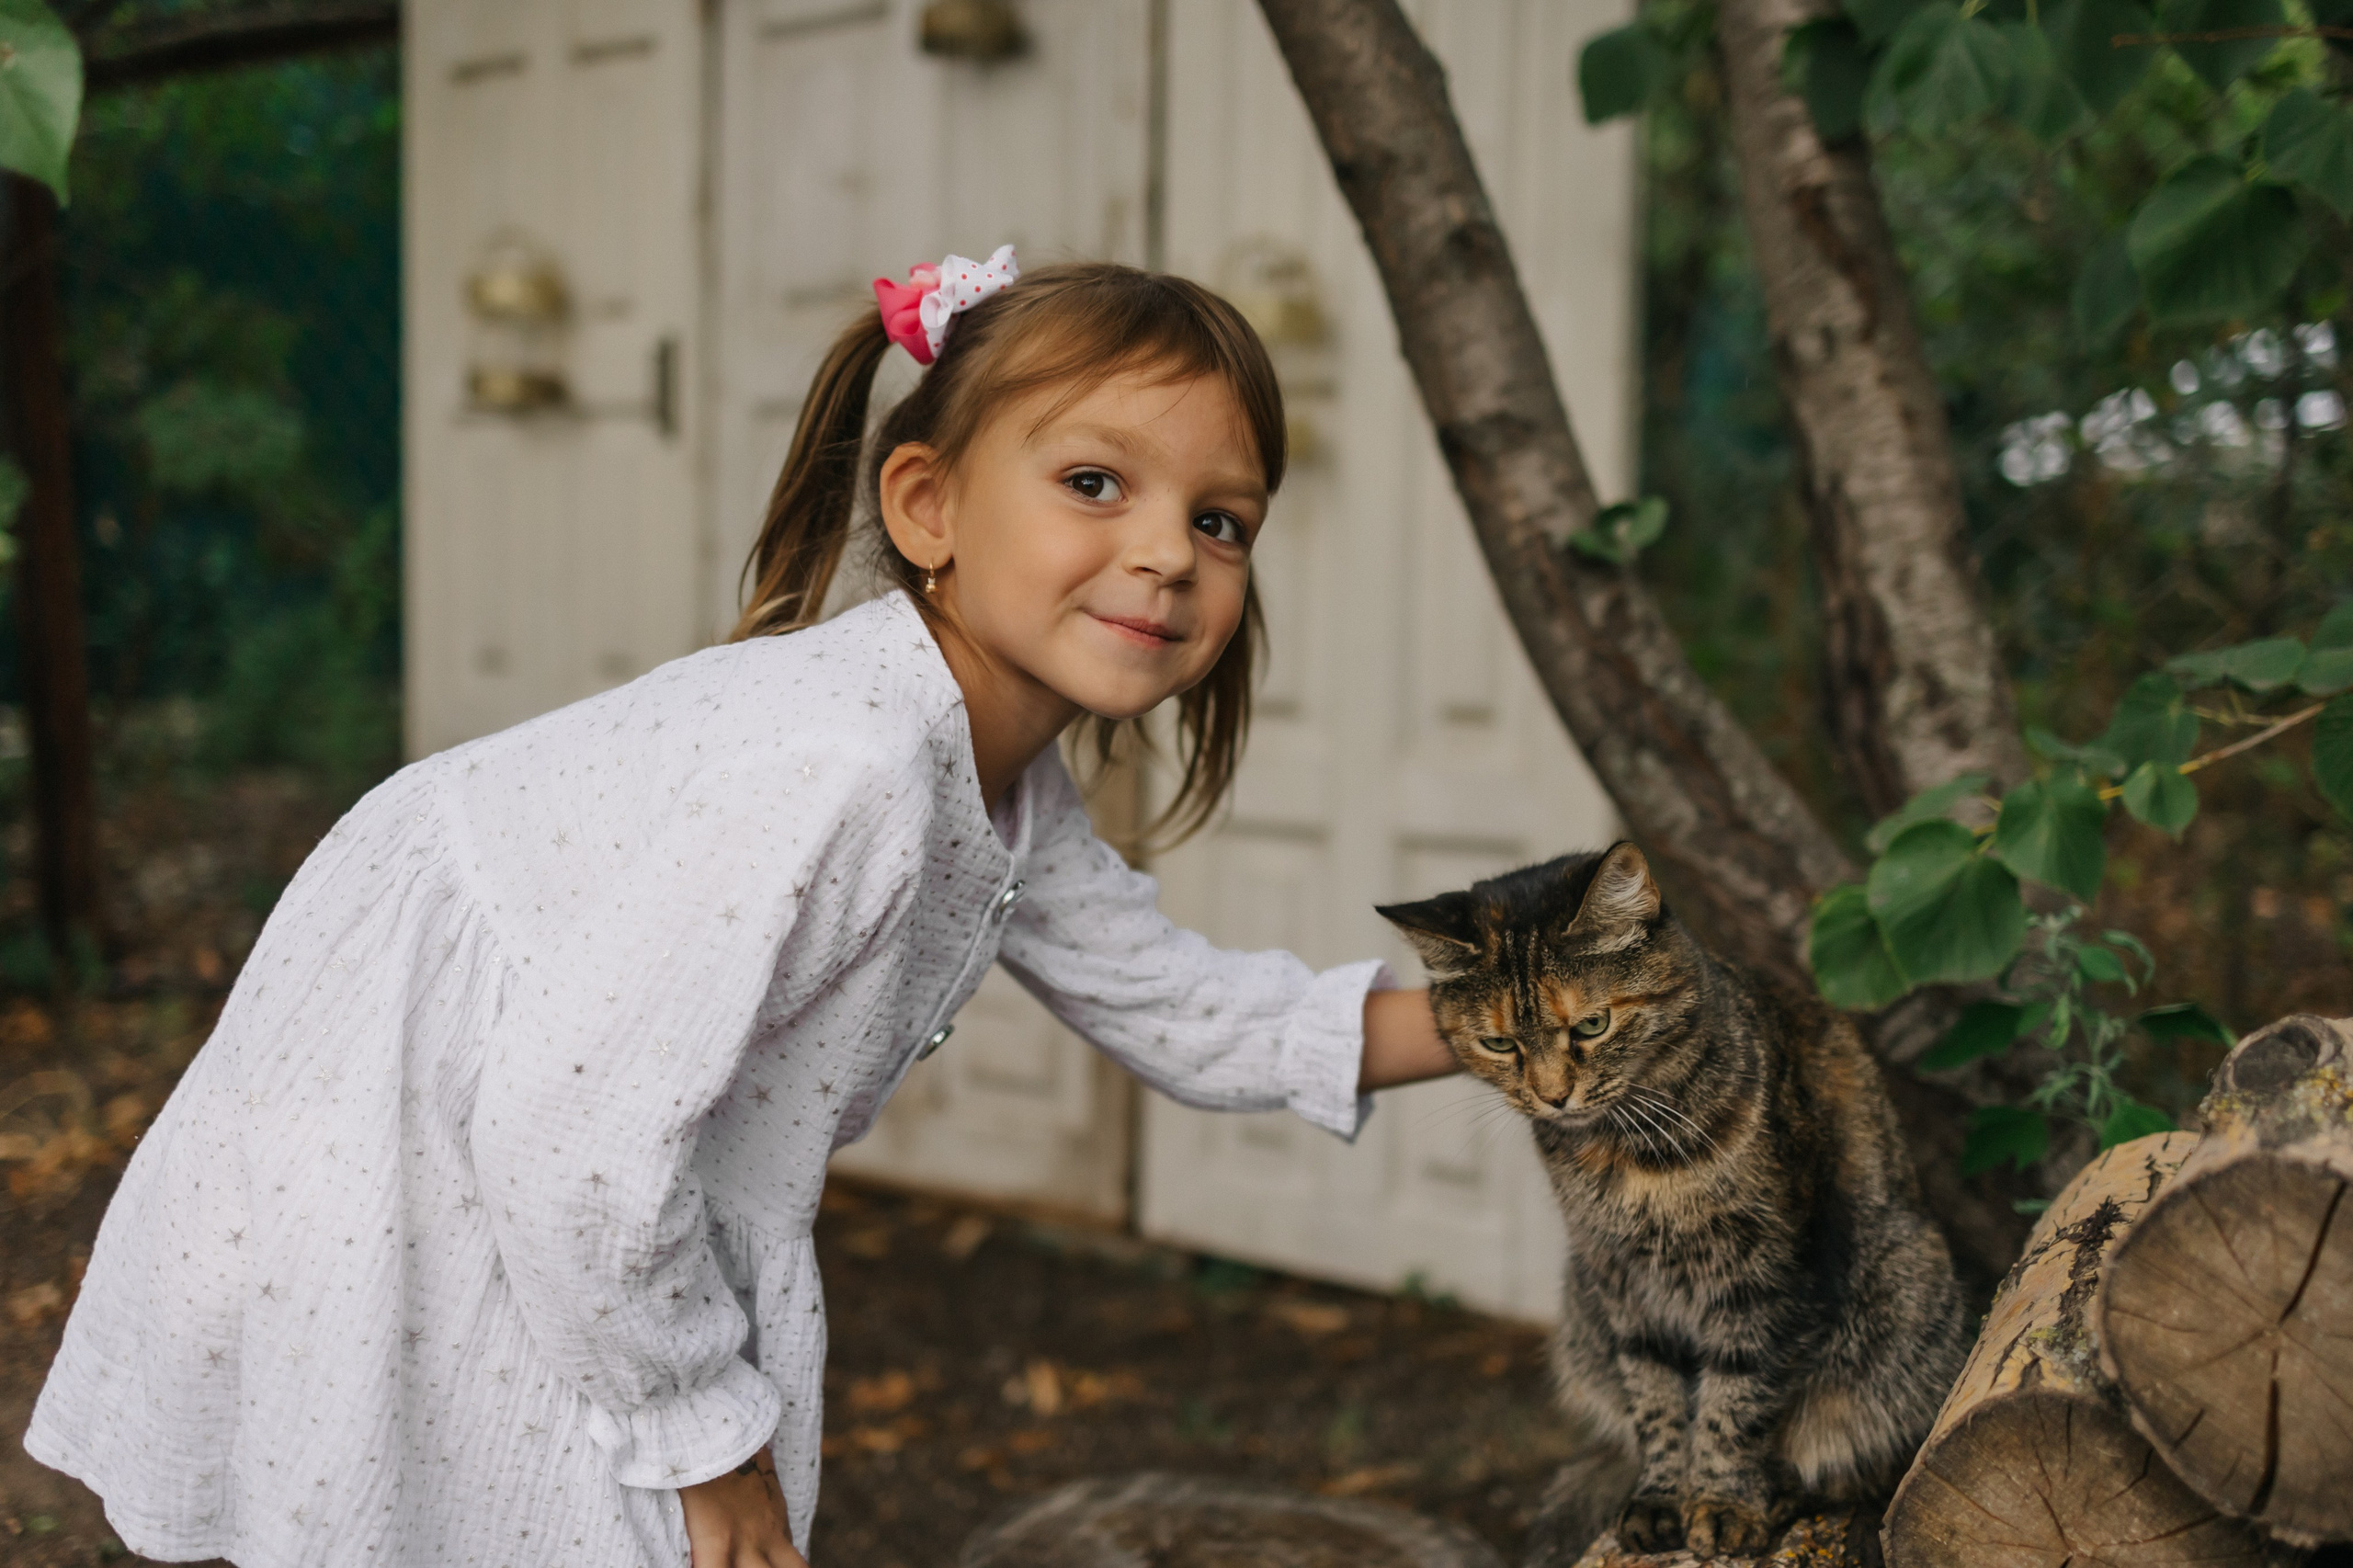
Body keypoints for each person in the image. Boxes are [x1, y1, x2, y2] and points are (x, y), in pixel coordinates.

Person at [26, 248, 1458, 1568]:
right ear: (928, 506)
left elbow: (1199, 1013)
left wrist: (1522, 1020)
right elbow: (565, 1146)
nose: (1168, 552)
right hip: (442, 1132)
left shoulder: (1009, 786)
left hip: (564, 1154)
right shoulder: (847, 762)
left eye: (1221, 520)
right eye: (1096, 482)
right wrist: (715, 1449)